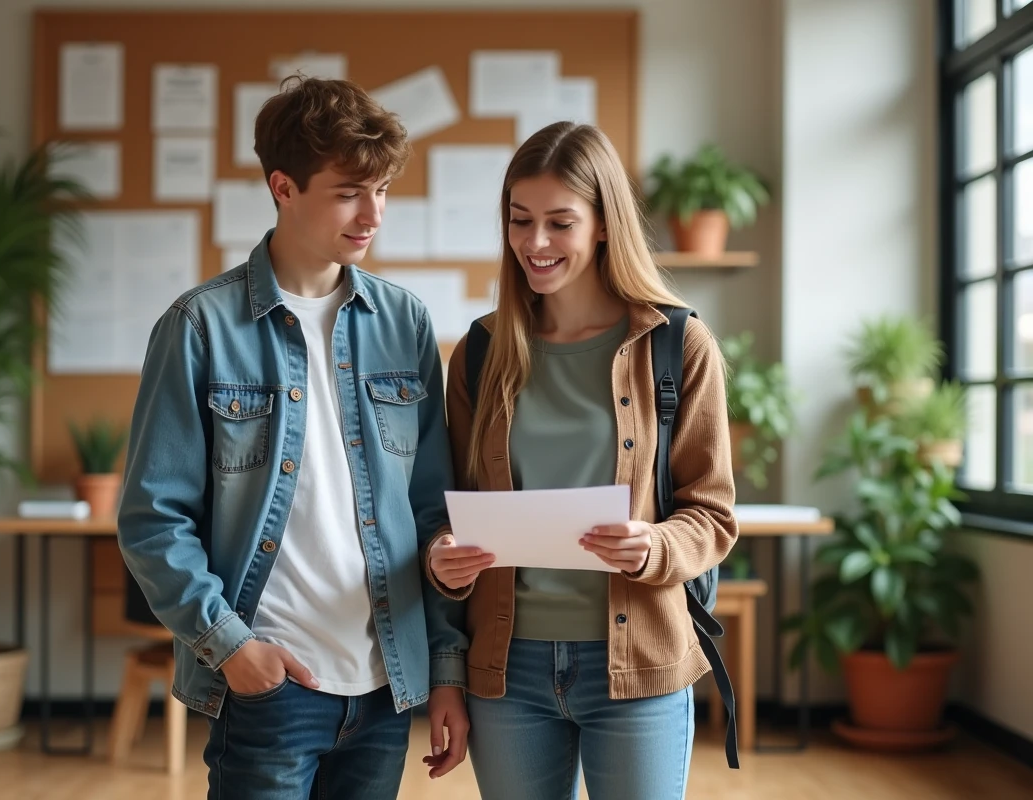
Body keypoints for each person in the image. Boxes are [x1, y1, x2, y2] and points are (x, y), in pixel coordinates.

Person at [118, 75, 470, 800]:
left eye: (382, 189)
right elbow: (153, 520)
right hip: (270, 688)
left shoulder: (403, 323)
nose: (372, 213)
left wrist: (445, 672)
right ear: (283, 186)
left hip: (383, 688)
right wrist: (232, 648)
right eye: (348, 191)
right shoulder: (199, 328)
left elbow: (435, 513)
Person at [425, 121, 739, 800]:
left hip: (639, 666)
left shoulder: (677, 345)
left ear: (603, 225)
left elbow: (712, 514)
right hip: (508, 672)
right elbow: (442, 509)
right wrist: (442, 558)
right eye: (520, 220)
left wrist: (652, 545)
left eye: (559, 222)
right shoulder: (479, 354)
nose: (535, 243)